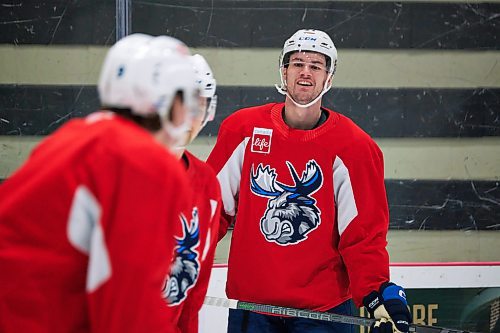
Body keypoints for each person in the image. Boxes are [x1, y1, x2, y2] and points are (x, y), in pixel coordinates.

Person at [206, 29, 412, 333]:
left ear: (329, 77)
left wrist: (375, 292)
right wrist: (176, 258)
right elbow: (211, 209)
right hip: (253, 308)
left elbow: (363, 236)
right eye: (297, 63)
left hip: (323, 314)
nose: (305, 72)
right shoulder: (243, 130)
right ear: (284, 71)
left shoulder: (354, 147)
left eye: (316, 65)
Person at [0, 33, 200, 333]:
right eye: (187, 99)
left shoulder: (72, 136)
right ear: (170, 101)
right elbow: (129, 308)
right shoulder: (145, 161)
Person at [162, 53, 222, 333]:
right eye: (180, 103)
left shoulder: (206, 182)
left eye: (199, 106)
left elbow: (193, 293)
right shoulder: (113, 168)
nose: (189, 117)